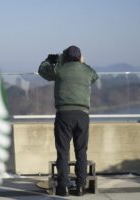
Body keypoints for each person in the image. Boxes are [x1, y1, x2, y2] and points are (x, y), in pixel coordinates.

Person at [38, 46, 98, 196]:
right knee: (81, 151)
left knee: (63, 152)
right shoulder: (87, 70)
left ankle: (63, 187)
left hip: (64, 114)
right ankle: (80, 187)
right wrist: (82, 64)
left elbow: (42, 70)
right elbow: (95, 76)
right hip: (82, 115)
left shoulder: (59, 69)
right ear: (79, 57)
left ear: (65, 57)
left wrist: (50, 60)